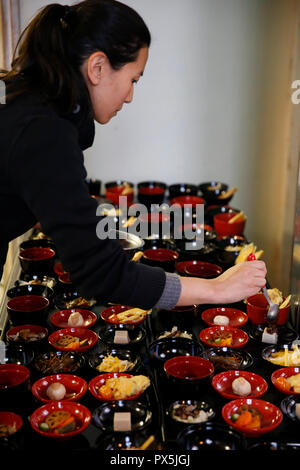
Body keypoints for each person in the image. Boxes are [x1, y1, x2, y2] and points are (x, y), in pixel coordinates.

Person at [0, 0, 266, 311]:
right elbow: (103, 274)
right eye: (133, 79)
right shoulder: (43, 131)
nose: (129, 96)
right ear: (98, 67)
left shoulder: (26, 101)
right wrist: (218, 289)